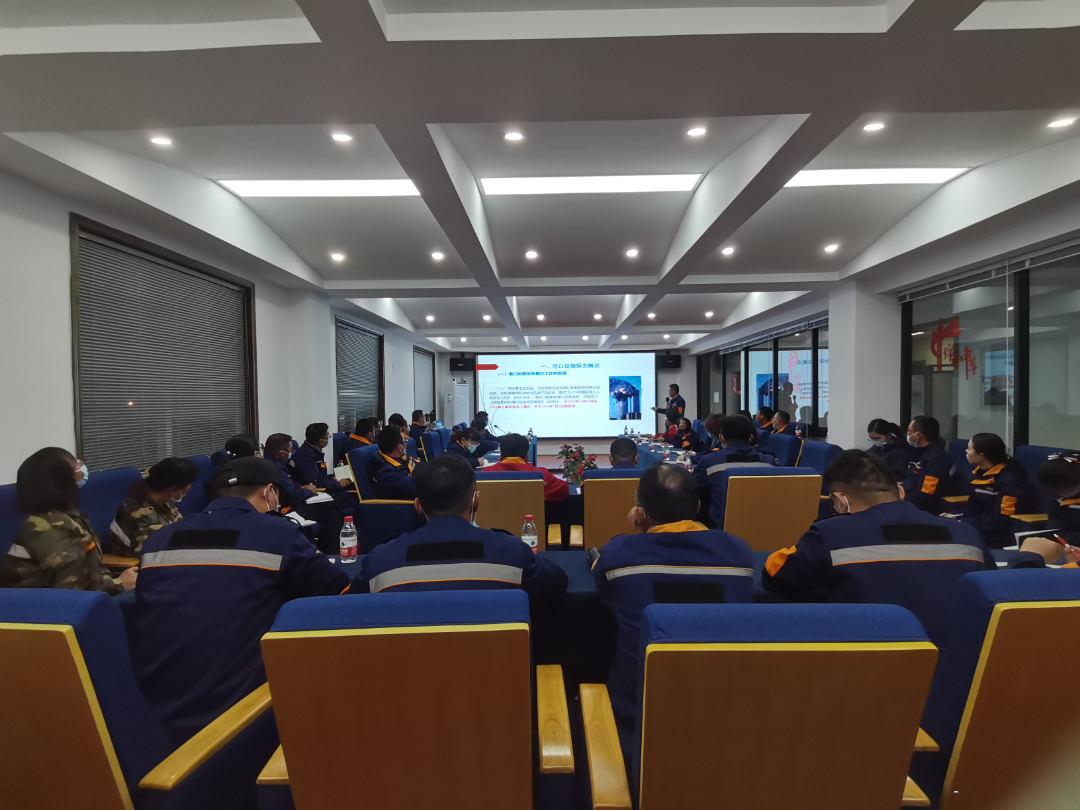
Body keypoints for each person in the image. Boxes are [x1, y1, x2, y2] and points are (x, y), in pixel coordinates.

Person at [133, 457, 350, 744]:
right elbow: (337, 588)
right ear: (268, 492)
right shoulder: (278, 533)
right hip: (239, 719)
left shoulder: (159, 540)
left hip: (153, 714)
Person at [763, 450, 993, 646]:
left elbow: (775, 574)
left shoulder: (831, 534)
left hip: (874, 665)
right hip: (963, 666)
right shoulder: (966, 534)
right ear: (900, 492)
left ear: (841, 501)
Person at [592, 464, 753, 726]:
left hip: (638, 713)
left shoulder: (618, 556)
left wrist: (638, 533)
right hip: (724, 711)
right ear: (698, 506)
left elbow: (604, 585)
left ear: (640, 513)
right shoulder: (739, 552)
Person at [349, 455, 568, 600]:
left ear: (418, 507)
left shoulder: (380, 561)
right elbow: (557, 583)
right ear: (476, 501)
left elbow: (348, 605)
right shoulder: (511, 553)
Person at [1, 448, 138, 593]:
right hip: (41, 605)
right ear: (62, 480)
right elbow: (72, 590)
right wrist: (121, 583)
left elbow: (87, 570)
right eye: (76, 467)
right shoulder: (51, 528)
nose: (82, 469)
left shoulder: (65, 517)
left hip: (85, 593)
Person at [952, 433, 1039, 549]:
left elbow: (1002, 519)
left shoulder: (1010, 481)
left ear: (981, 456)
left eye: (969, 448)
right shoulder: (979, 474)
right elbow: (973, 507)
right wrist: (956, 517)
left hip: (999, 536)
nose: (966, 451)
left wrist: (964, 522)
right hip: (978, 526)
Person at [264, 433, 345, 554]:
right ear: (281, 453)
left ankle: (328, 552)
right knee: (331, 504)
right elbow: (293, 496)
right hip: (287, 509)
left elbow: (290, 485)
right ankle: (332, 553)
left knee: (333, 515)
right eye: (289, 451)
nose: (291, 454)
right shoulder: (276, 469)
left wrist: (301, 487)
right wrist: (309, 491)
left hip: (291, 502)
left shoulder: (270, 463)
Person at [693, 416, 778, 527]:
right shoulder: (769, 462)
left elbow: (691, 488)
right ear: (751, 438)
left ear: (721, 438)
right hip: (763, 526)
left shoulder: (709, 462)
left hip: (721, 529)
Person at [109, 457, 198, 557]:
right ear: (174, 489)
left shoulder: (163, 502)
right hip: (142, 562)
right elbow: (153, 553)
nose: (190, 487)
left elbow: (181, 527)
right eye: (189, 484)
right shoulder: (140, 515)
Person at [1008, 454, 1080, 568]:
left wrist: (1068, 539)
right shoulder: (1057, 495)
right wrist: (1052, 536)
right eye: (1055, 489)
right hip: (1067, 549)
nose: (1061, 495)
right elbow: (1055, 520)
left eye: (1065, 488)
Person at [483, 433, 569, 504]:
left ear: (501, 457)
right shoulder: (541, 476)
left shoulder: (484, 475)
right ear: (527, 457)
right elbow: (564, 490)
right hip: (534, 520)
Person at [293, 423, 358, 509]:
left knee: (355, 488)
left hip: (325, 488)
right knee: (357, 497)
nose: (328, 440)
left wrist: (332, 478)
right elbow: (315, 481)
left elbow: (321, 475)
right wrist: (338, 484)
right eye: (327, 438)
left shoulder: (314, 451)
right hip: (317, 495)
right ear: (321, 441)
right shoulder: (305, 456)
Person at [901, 416, 957, 515]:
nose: (907, 434)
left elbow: (926, 495)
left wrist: (898, 499)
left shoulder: (936, 458)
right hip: (908, 500)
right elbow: (909, 481)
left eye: (909, 431)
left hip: (925, 509)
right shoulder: (918, 452)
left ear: (918, 434)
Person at [366, 426, 420, 500]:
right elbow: (416, 485)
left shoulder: (400, 459)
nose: (406, 445)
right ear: (399, 447)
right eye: (405, 442)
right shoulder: (385, 473)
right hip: (408, 503)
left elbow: (419, 465)